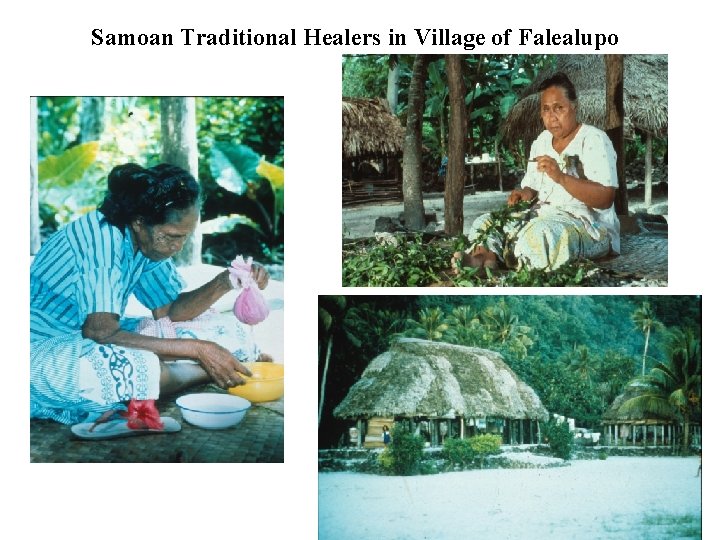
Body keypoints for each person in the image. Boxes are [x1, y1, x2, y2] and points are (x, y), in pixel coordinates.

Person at [30, 163, 272, 426]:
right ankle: (208, 370)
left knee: (222, 328)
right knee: (128, 368)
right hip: (38, 347)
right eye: (171, 237)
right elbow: (100, 332)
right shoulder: (102, 242)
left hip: (87, 335)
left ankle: (212, 364)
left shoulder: (144, 240)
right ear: (139, 222)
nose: (177, 247)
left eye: (184, 237)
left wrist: (226, 281)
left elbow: (170, 312)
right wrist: (198, 351)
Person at [452, 72, 620, 273]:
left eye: (559, 108)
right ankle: (483, 258)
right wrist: (524, 194)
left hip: (588, 226)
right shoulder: (541, 141)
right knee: (484, 222)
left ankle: (510, 258)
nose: (552, 116)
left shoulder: (594, 139)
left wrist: (561, 177)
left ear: (574, 107)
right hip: (539, 215)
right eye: (546, 109)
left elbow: (606, 198)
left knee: (542, 234)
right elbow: (531, 185)